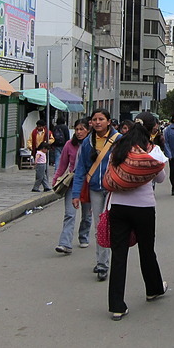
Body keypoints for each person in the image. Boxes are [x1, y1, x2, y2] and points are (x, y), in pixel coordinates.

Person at [104, 112, 168, 320]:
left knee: (119, 255)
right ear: (151, 130)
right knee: (147, 250)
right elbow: (161, 178)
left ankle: (116, 305)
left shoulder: (120, 148)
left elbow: (110, 171)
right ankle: (153, 289)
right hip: (144, 207)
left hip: (119, 206)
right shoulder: (153, 150)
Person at [71, 108, 120, 281]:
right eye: (94, 119)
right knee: (100, 226)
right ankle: (102, 264)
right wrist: (76, 194)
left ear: (108, 121)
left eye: (101, 119)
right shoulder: (87, 143)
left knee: (112, 226)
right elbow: (80, 170)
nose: (97, 122)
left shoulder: (119, 141)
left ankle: (114, 261)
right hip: (95, 189)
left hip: (114, 189)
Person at [53, 118, 91, 254]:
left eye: (82, 129)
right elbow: (62, 165)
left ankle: (84, 235)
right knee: (69, 214)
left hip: (88, 184)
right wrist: (56, 180)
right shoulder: (69, 145)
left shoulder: (92, 145)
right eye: (77, 129)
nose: (79, 132)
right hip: (72, 183)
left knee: (87, 215)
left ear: (88, 130)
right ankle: (65, 243)